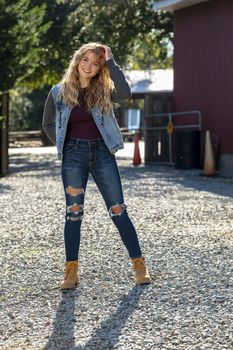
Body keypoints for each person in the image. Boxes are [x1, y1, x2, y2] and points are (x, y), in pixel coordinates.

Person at [42, 42, 151, 289]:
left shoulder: (103, 89)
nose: (89, 66)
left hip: (102, 154)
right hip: (74, 155)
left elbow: (125, 93)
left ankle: (139, 265)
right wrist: (64, 144)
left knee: (118, 210)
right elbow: (48, 123)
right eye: (85, 60)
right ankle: (71, 272)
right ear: (77, 60)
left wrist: (110, 60)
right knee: (73, 213)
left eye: (95, 63)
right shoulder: (58, 92)